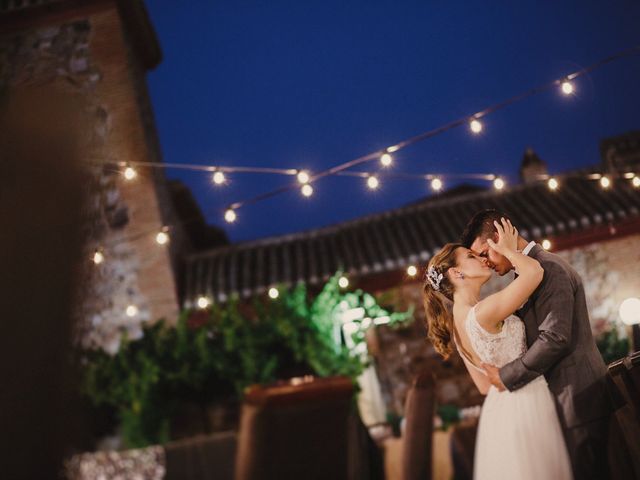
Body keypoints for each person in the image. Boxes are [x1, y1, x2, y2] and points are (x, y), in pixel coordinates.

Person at [460, 209, 624, 480]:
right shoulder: (528, 273)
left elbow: (555, 338)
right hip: (563, 400)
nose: (485, 263)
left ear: (500, 238)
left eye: (485, 254)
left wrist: (507, 375)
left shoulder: (549, 269)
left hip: (579, 399)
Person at [423, 218, 572, 479]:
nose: (483, 260)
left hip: (499, 412)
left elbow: (484, 386)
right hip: (525, 403)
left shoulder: (458, 325)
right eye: (471, 256)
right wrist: (509, 249)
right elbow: (535, 272)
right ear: (457, 273)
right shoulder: (483, 312)